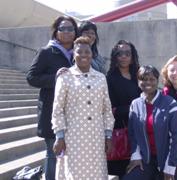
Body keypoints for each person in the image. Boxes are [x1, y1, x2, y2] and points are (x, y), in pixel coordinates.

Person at [51, 36, 115, 179]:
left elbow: (107, 110)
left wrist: (108, 136)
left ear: (92, 54)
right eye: (80, 52)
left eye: (87, 52)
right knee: (74, 174)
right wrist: (59, 136)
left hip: (96, 138)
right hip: (73, 138)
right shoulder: (65, 77)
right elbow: (58, 109)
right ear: (74, 54)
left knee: (96, 174)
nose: (84, 55)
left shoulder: (100, 78)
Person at [26, 15, 78, 180]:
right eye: (63, 28)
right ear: (56, 32)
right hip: (51, 113)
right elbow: (31, 77)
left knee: (71, 157)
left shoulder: (78, 54)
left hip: (74, 114)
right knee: (54, 154)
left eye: (71, 29)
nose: (67, 32)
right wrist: (55, 78)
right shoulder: (47, 52)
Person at [122, 65, 177, 180]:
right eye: (144, 79)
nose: (148, 82)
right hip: (147, 159)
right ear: (138, 81)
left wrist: (170, 166)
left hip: (172, 159)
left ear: (158, 81)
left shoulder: (170, 103)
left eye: (152, 79)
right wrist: (135, 156)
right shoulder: (135, 104)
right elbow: (133, 134)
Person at [106, 40, 141, 179]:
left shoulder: (139, 76)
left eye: (128, 53)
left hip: (141, 130)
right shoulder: (109, 79)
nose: (124, 56)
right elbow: (110, 109)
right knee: (126, 174)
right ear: (115, 56)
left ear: (133, 56)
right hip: (123, 133)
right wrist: (134, 107)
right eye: (120, 53)